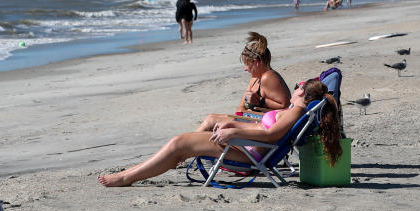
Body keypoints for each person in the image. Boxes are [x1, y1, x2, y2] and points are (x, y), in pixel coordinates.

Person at [99, 78, 341, 187]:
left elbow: (270, 137)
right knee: (179, 145)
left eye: (298, 86)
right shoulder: (293, 110)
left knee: (178, 144)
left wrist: (232, 134)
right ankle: (129, 173)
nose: (295, 86)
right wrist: (234, 126)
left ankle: (125, 178)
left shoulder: (294, 112)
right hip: (245, 145)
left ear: (302, 93)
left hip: (247, 153)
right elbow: (265, 129)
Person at [192, 31, 292, 134]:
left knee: (211, 120)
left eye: (247, 64)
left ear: (256, 62)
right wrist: (237, 117)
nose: (245, 69)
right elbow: (240, 107)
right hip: (250, 120)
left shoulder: (269, 77)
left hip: (260, 126)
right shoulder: (255, 79)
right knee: (210, 118)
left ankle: (188, 147)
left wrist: (260, 101)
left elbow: (287, 107)